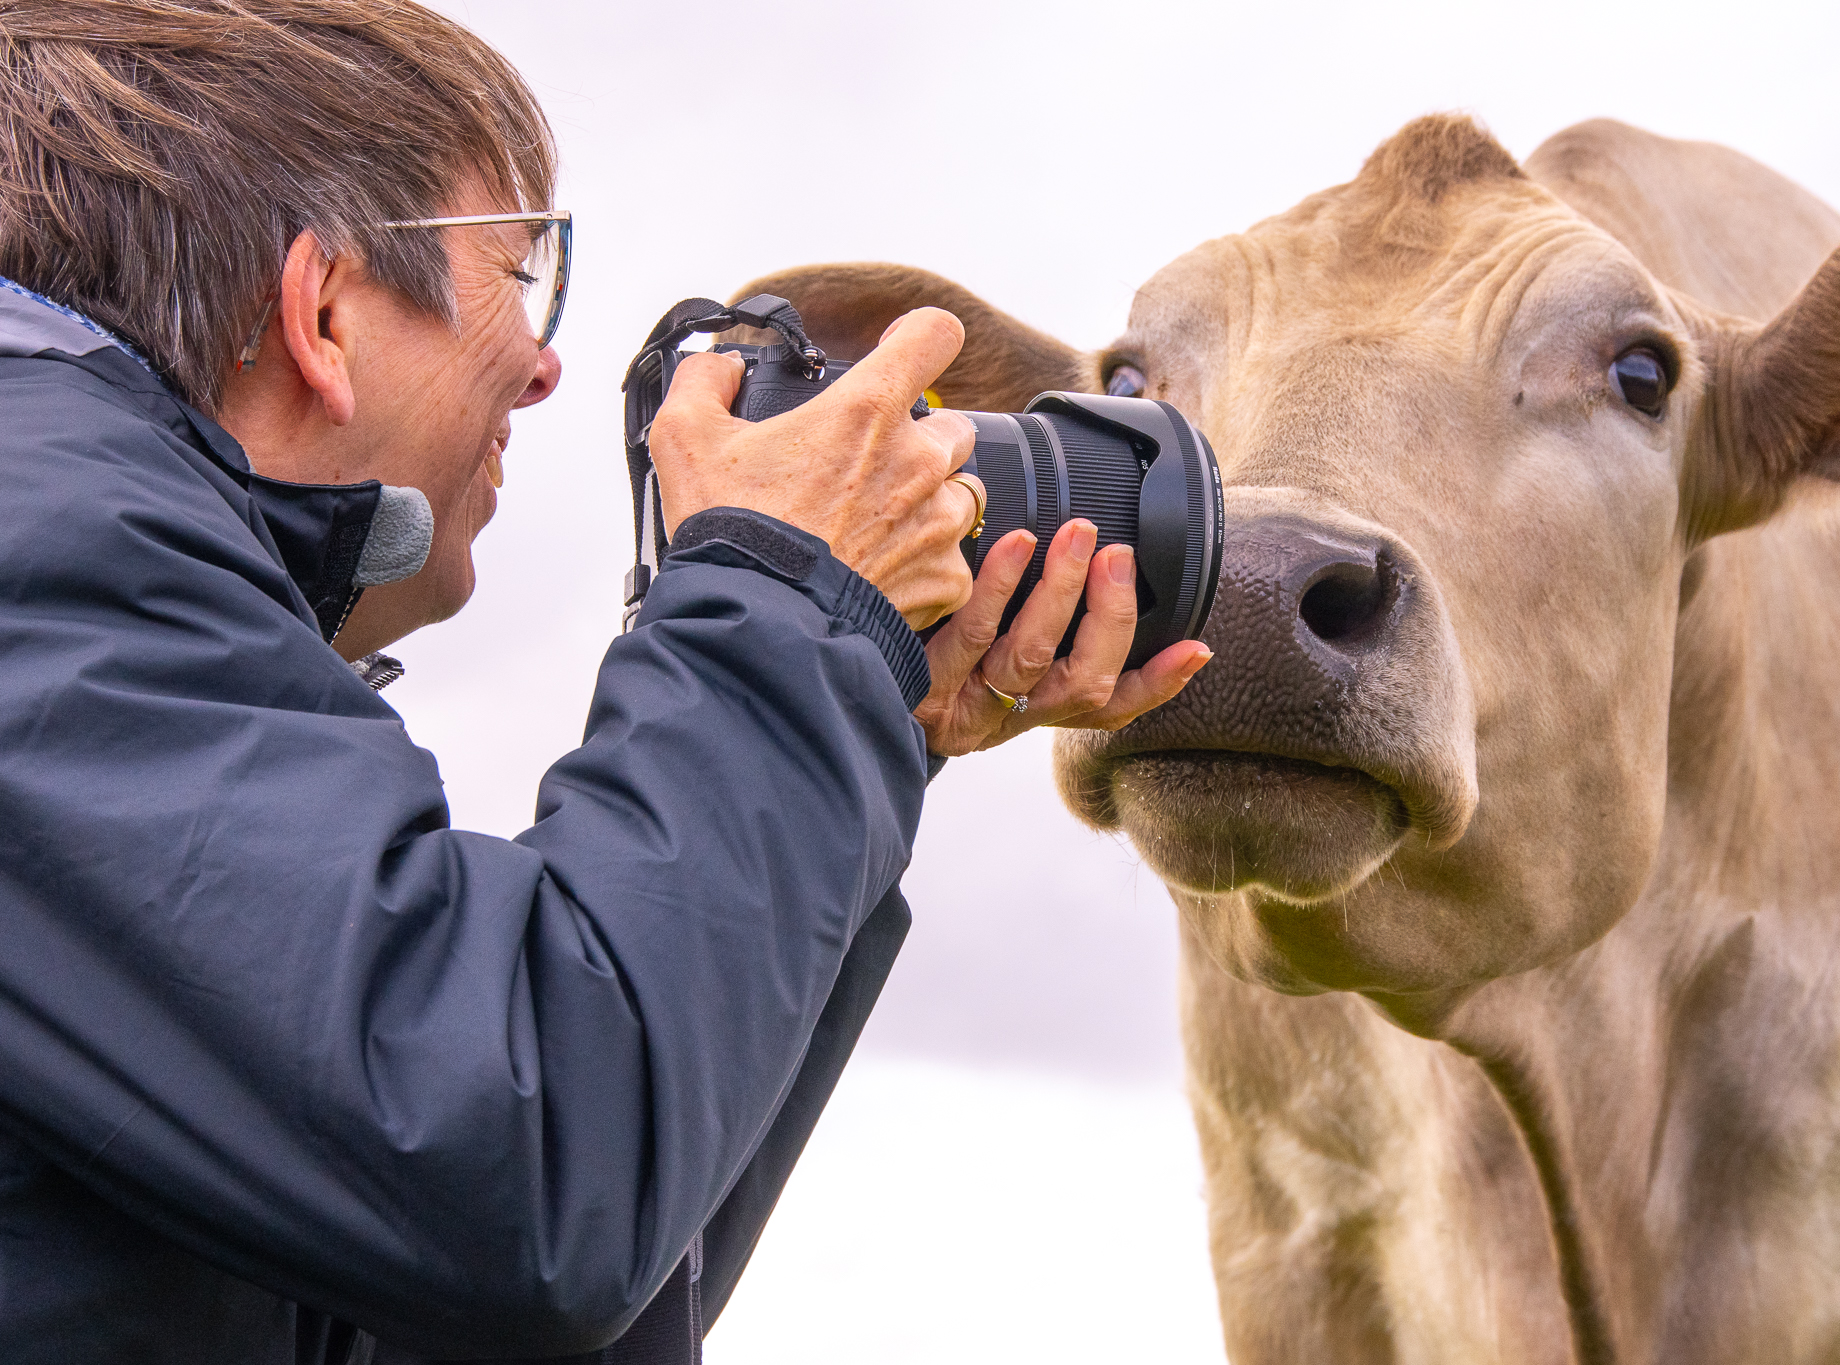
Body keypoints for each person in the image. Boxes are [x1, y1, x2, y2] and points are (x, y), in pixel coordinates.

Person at [0, 3, 1212, 1362]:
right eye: (522, 276)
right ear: (324, 309)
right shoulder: (37, 546)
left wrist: (867, 709)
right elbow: (527, 1160)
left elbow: (526, 1295)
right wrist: (788, 598)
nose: (543, 364)